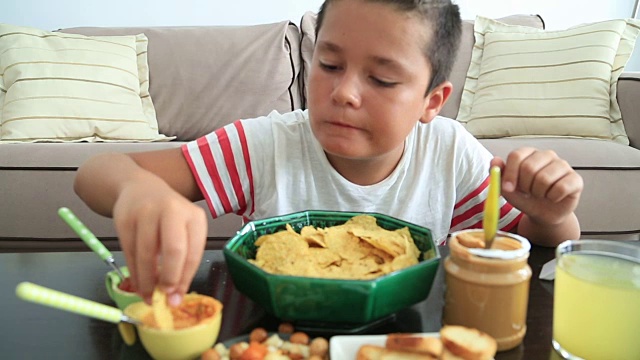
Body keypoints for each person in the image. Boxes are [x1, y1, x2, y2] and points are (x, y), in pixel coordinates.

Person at [74, 0, 583, 307]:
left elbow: (527, 246)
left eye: (382, 79)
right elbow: (97, 171)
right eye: (330, 64)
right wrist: (135, 189)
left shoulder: (451, 155)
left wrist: (554, 215)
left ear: (432, 102)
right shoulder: (265, 146)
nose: (345, 94)